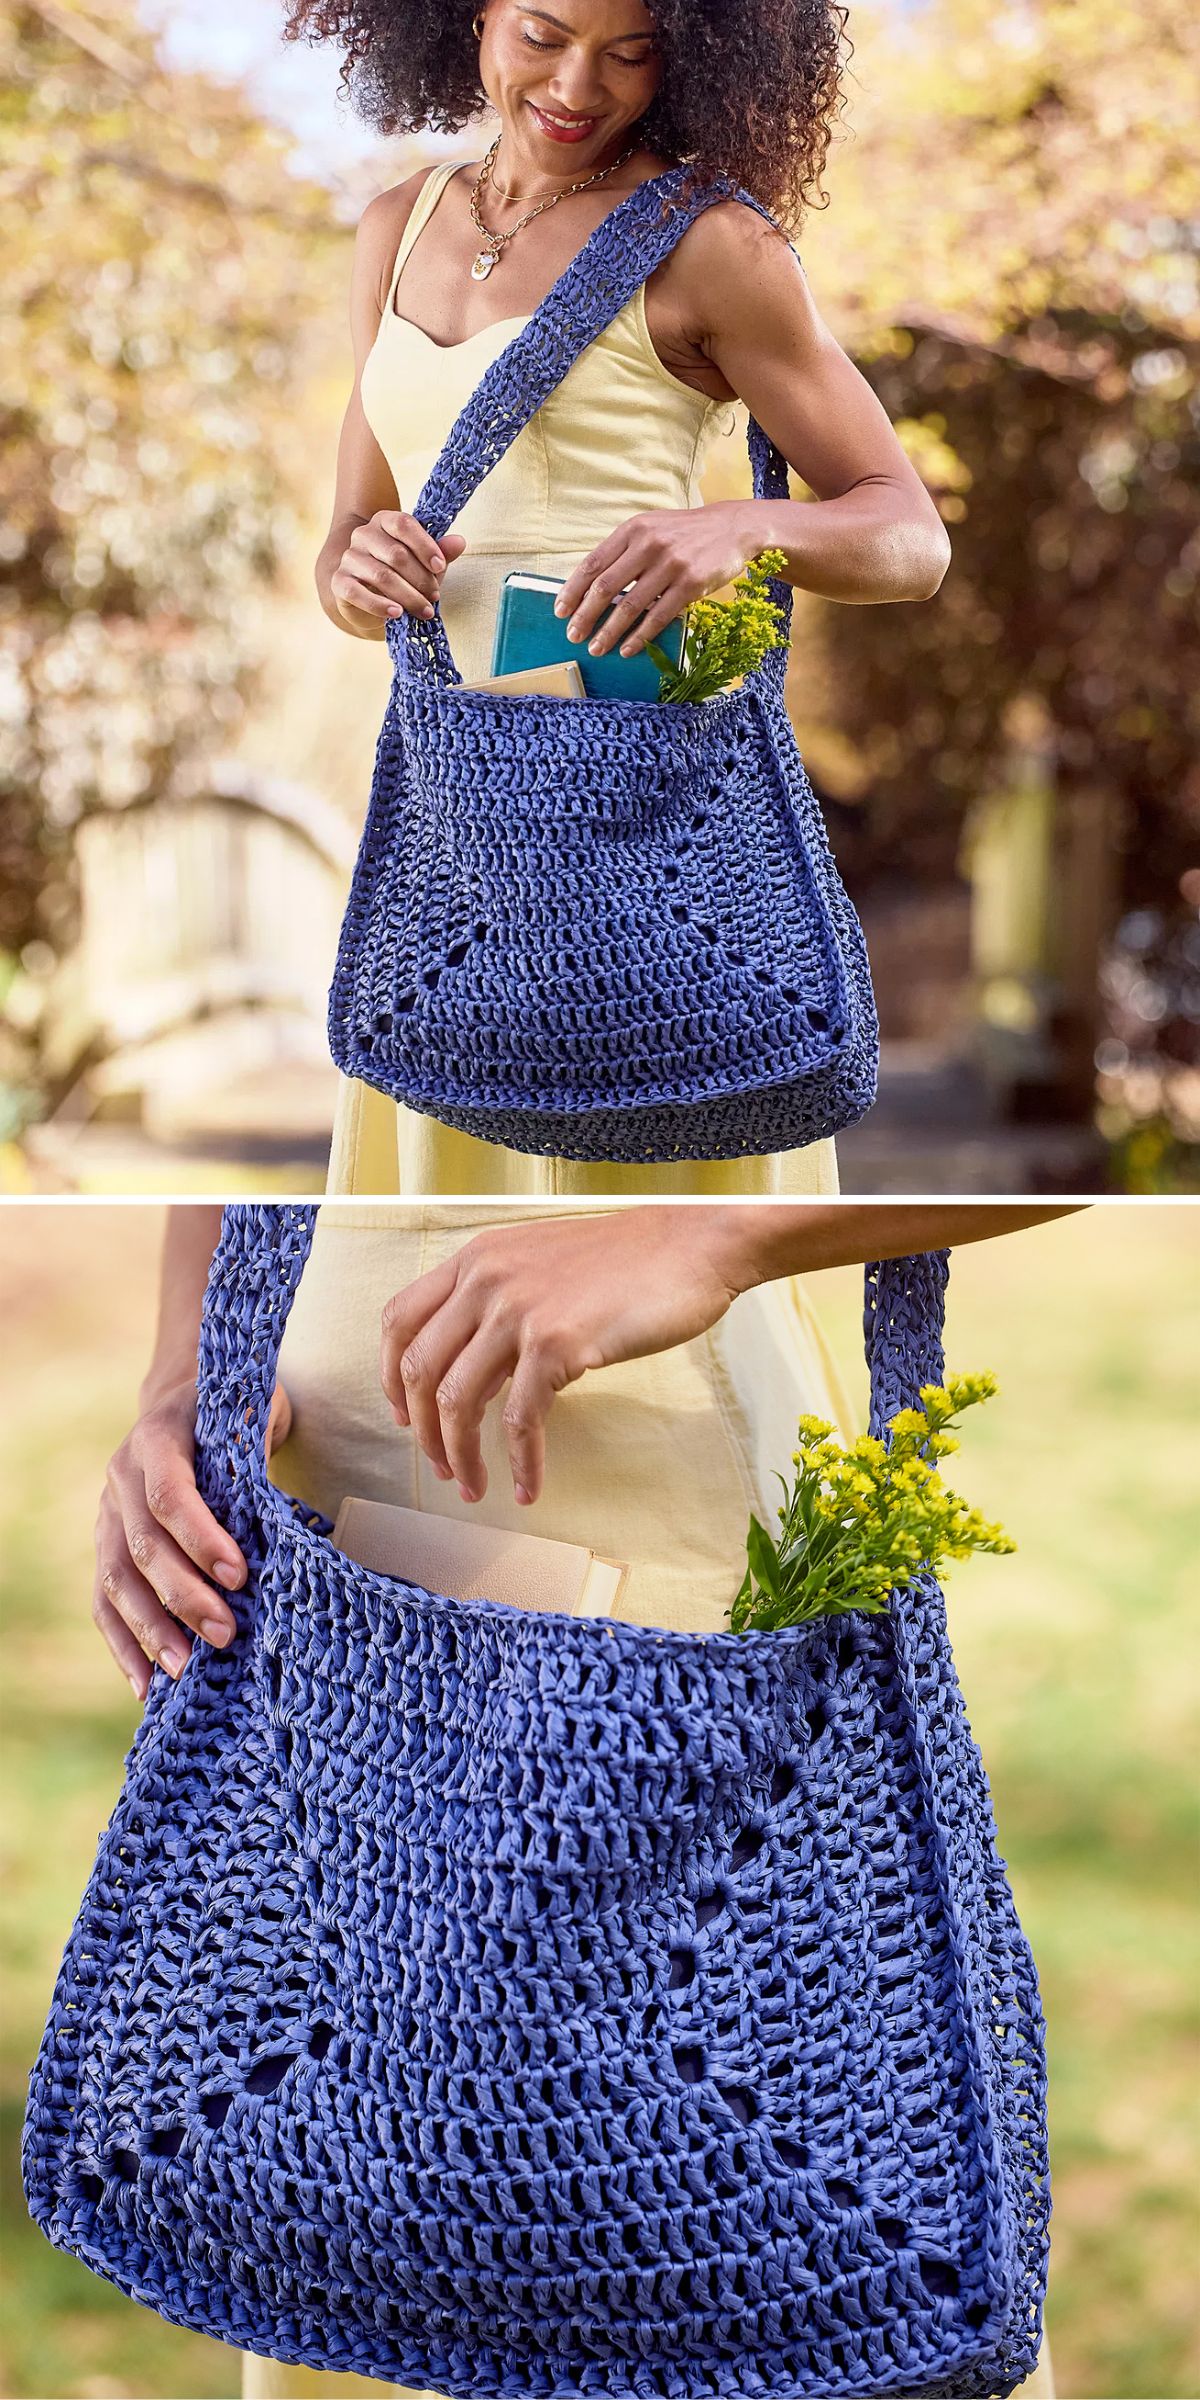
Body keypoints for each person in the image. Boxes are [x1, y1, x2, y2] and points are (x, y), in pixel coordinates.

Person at [94, 1199, 1069, 2400]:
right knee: (374, 2204)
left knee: (721, 2216)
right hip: (321, 1448)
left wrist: (710, 1237)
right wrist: (183, 1370)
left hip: (660, 1441)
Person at [307, 0, 952, 1199]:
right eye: (542, 35)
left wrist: (746, 529)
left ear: (696, 54)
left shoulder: (709, 244)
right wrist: (352, 575)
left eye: (631, 51)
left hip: (638, 809)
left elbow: (909, 537)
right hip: (462, 827)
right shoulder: (396, 229)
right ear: (471, 19)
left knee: (649, 1209)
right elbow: (352, 534)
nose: (577, 85)